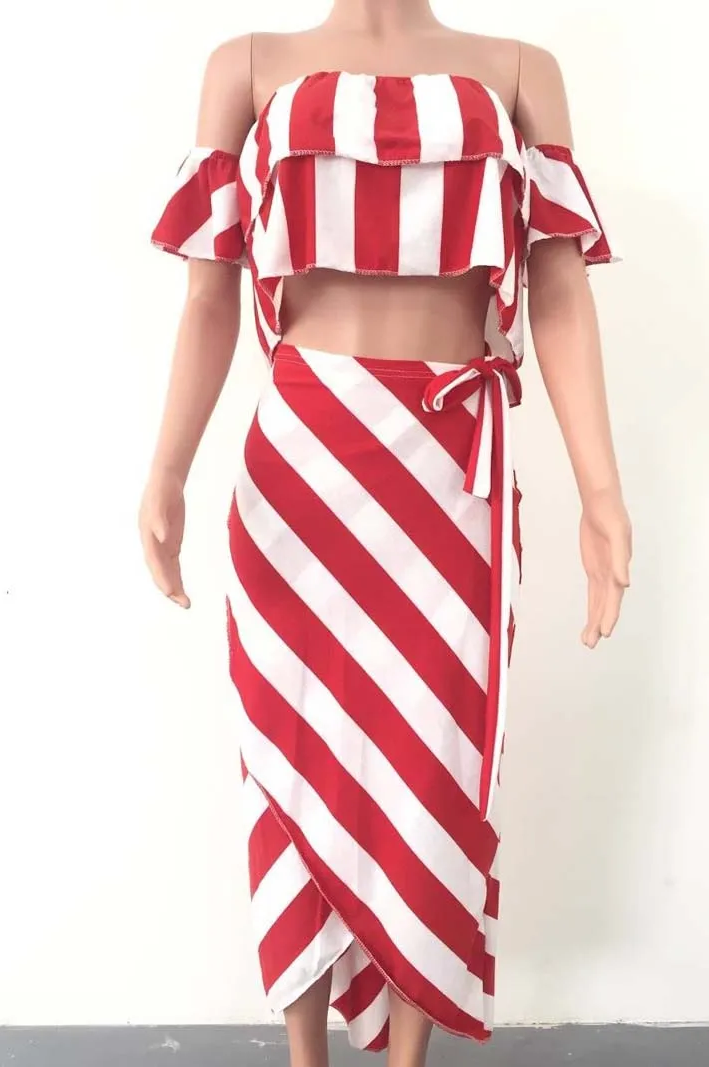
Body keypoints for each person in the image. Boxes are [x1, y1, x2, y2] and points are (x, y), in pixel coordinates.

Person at [140, 3, 632, 1065]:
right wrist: (167, 467)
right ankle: (304, 1053)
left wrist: (601, 487)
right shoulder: (246, 67)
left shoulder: (518, 71)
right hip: (302, 469)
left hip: (452, 473)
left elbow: (557, 286)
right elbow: (208, 298)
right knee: (292, 756)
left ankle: (408, 1057)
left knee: (437, 763)